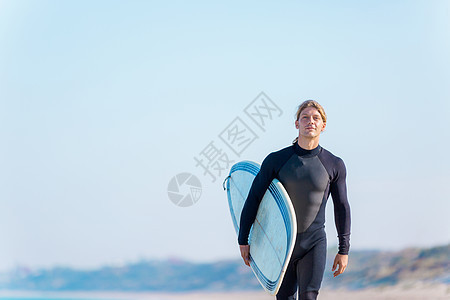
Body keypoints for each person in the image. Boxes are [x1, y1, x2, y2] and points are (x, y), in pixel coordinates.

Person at [238, 100, 351, 300]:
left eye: (316, 118)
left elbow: (341, 207)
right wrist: (243, 239)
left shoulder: (334, 164)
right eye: (305, 117)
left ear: (323, 126)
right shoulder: (276, 160)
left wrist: (344, 250)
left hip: (314, 242)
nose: (311, 121)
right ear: (296, 124)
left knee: (309, 297)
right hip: (281, 244)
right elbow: (254, 197)